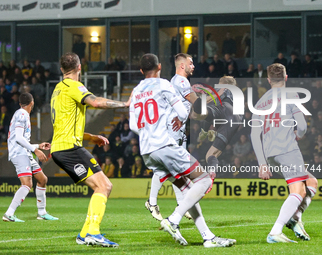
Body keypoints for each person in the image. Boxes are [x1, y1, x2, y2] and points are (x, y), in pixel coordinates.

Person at [130, 53, 236, 248]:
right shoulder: (172, 83)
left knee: (187, 190)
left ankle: (208, 237)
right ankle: (172, 220)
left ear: (141, 70)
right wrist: (218, 98)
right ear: (160, 67)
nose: (193, 65)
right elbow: (194, 109)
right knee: (203, 180)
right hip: (167, 144)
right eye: (191, 62)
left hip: (148, 150)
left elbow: (134, 125)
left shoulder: (136, 90)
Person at [50, 52, 130, 247]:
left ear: (61, 69)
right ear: (79, 68)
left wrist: (90, 137)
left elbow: (64, 126)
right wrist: (124, 104)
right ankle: (93, 232)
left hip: (61, 147)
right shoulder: (75, 86)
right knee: (104, 186)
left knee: (100, 186)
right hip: (69, 148)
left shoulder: (57, 90)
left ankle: (85, 233)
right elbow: (95, 102)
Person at [250, 63, 318, 243]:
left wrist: (262, 163)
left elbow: (254, 134)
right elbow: (302, 125)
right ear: (286, 77)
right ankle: (276, 231)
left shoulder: (259, 102)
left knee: (311, 182)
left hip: (270, 154)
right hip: (287, 148)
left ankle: (295, 218)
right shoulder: (291, 95)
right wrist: (299, 134)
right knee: (298, 190)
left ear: (268, 80)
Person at [145, 53, 195, 221]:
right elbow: (196, 101)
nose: (193, 66)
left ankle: (181, 205)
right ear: (182, 65)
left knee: (177, 169)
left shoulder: (176, 81)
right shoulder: (181, 81)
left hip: (177, 131)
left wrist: (182, 119)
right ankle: (152, 202)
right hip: (172, 132)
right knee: (166, 168)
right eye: (191, 63)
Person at [3, 93, 58, 222]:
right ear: (32, 103)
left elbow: (21, 139)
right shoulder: (22, 114)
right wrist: (36, 150)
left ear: (20, 103)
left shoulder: (21, 114)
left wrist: (38, 145)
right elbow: (18, 137)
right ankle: (9, 213)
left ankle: (42, 212)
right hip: (19, 153)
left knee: (42, 179)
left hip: (25, 152)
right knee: (27, 184)